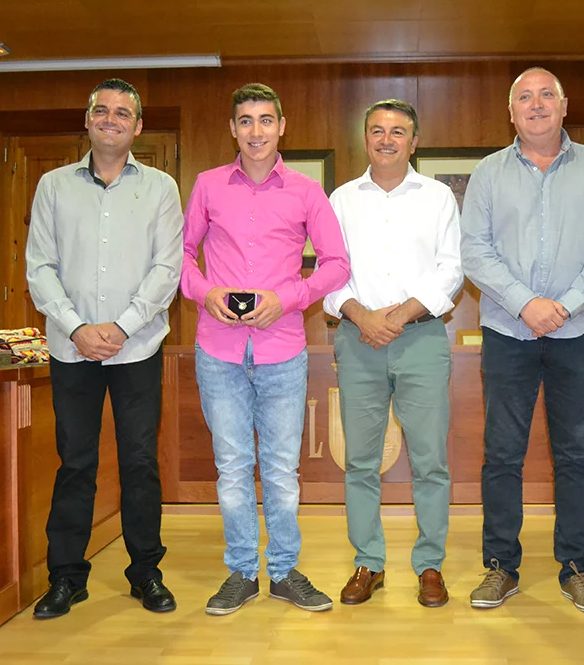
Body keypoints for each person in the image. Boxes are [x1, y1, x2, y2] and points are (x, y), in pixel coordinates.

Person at [460, 67, 584, 614]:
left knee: (576, 453)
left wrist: (564, 305)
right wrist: (525, 304)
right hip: (508, 332)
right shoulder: (488, 173)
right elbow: (476, 252)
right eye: (524, 98)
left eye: (545, 96)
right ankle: (500, 567)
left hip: (577, 332)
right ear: (511, 112)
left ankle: (576, 568)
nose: (536, 105)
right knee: (502, 454)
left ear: (564, 105)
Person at [181, 83, 350, 615]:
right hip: (219, 350)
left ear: (282, 127)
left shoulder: (305, 192)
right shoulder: (208, 186)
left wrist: (288, 298)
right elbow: (182, 256)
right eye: (246, 121)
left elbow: (337, 264)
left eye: (265, 120)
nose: (256, 131)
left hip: (282, 349)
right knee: (232, 467)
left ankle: (282, 572)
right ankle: (241, 573)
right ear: (233, 129)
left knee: (279, 470)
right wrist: (206, 293)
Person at [26, 78, 183, 618]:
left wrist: (120, 326)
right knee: (75, 463)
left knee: (140, 462)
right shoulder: (53, 185)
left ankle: (146, 574)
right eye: (102, 110)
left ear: (138, 126)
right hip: (71, 351)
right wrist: (76, 328)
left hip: (137, 347)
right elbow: (39, 267)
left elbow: (168, 268)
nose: (111, 119)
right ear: (88, 119)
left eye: (123, 113)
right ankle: (67, 577)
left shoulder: (161, 187)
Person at [324, 99, 463, 608]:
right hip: (357, 340)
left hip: (421, 340)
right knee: (360, 462)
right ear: (365, 139)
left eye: (398, 131)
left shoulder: (438, 197)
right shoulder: (339, 200)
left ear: (414, 140)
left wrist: (399, 315)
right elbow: (329, 275)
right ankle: (368, 562)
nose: (387, 139)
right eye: (378, 130)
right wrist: (363, 316)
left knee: (430, 461)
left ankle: (429, 565)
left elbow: (451, 270)